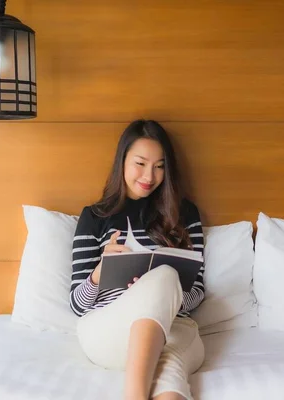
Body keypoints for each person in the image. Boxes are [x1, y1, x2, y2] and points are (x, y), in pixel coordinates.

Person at [69, 120, 206, 400]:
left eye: (159, 166)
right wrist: (99, 273)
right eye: (140, 163)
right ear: (122, 162)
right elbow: (76, 305)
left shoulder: (186, 214)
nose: (149, 175)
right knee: (166, 276)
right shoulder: (94, 217)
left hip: (171, 329)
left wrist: (164, 290)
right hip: (109, 332)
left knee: (169, 368)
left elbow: (198, 293)